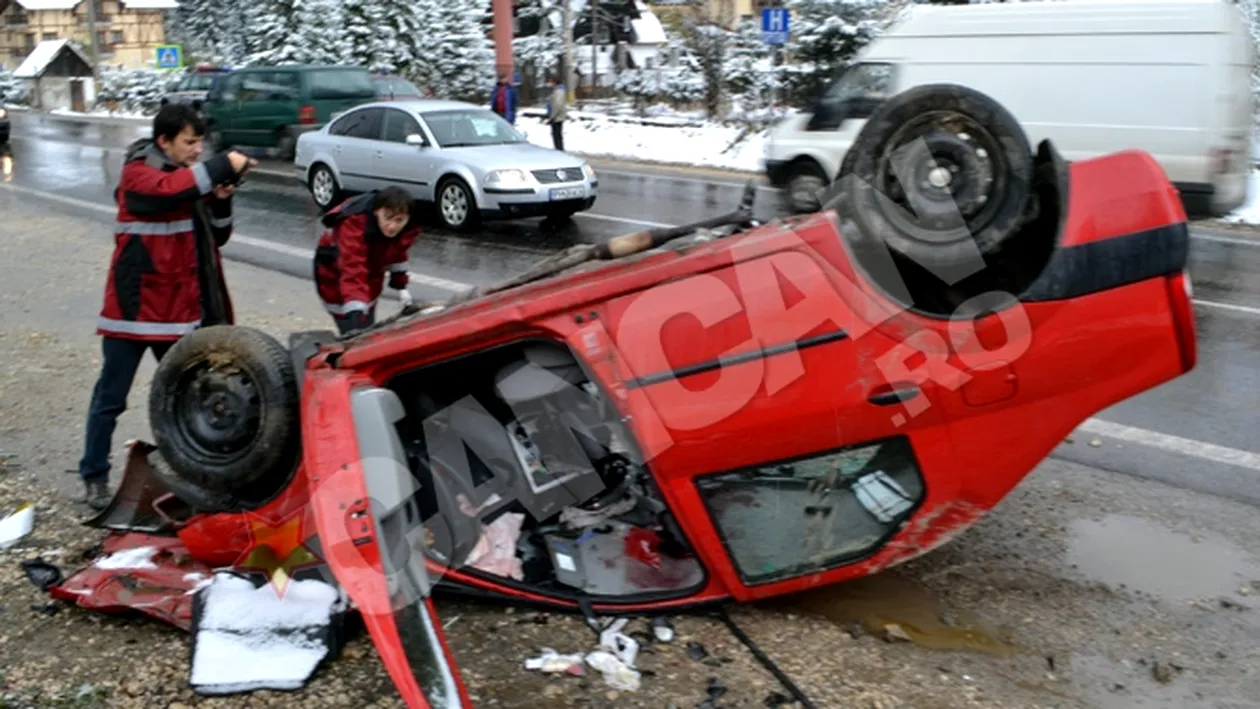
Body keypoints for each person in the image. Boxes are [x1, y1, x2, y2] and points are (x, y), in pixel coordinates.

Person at [79, 103, 256, 511]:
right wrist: (220, 165)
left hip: (178, 314)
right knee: (111, 398)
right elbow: (164, 193)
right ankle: (93, 476)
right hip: (131, 313)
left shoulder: (186, 181)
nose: (197, 150)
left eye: (202, 142)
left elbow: (216, 237)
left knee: (191, 399)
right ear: (164, 141)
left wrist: (223, 199)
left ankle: (198, 474)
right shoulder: (139, 173)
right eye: (189, 142)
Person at [314, 187, 422, 336]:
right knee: (354, 333)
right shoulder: (354, 224)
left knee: (367, 328)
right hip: (334, 278)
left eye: (399, 220)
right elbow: (352, 269)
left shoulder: (406, 228)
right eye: (388, 218)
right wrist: (355, 314)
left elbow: (396, 253)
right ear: (377, 211)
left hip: (370, 278)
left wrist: (400, 284)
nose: (393, 226)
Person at [545, 76, 568, 151]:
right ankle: (559, 150)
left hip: (557, 118)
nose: (550, 84)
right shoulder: (557, 91)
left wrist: (552, 117)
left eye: (551, 82)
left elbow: (558, 105)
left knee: (557, 136)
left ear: (554, 82)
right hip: (557, 117)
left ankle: (559, 151)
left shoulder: (559, 91)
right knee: (556, 136)